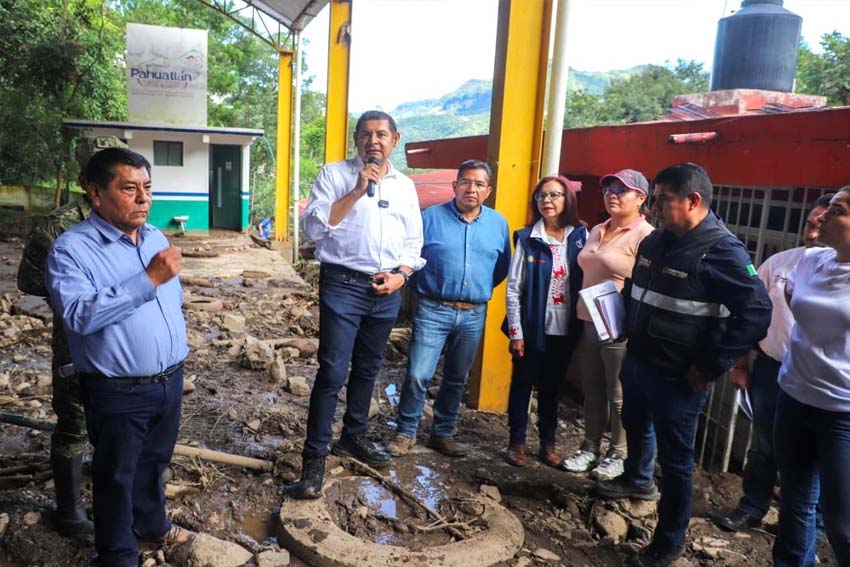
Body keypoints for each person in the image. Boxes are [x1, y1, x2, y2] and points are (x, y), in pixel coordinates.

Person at [595, 163, 771, 567]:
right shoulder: (656, 241)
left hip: (678, 375)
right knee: (635, 423)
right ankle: (637, 479)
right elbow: (638, 290)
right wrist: (619, 316)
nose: (654, 208)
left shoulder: (722, 251)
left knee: (676, 461)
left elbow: (756, 312)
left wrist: (712, 364)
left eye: (662, 200)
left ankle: (668, 542)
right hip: (639, 359)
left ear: (693, 201)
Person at [45, 148, 192, 567]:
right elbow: (79, 314)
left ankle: (152, 524)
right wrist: (149, 278)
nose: (143, 198)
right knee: (115, 477)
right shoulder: (71, 250)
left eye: (147, 188)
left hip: (169, 380)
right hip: (118, 389)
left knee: (154, 464)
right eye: (129, 189)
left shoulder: (155, 238)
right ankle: (117, 555)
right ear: (96, 193)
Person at [289, 110, 424, 499]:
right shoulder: (334, 175)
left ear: (395, 139)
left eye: (381, 134)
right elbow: (314, 228)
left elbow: (413, 242)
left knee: (368, 368)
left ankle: (353, 436)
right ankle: (313, 460)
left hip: (387, 287)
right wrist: (357, 189)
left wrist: (402, 275)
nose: (373, 141)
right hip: (342, 284)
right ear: (356, 140)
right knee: (332, 371)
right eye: (365, 134)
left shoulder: (405, 187)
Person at [16, 135, 127, 536]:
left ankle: (119, 485)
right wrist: (75, 292)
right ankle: (70, 509)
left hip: (125, 337)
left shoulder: (129, 214)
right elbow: (28, 279)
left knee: (122, 413)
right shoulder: (58, 225)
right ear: (86, 180)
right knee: (74, 419)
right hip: (77, 338)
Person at [714, 194, 832, 533]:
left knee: (817, 454)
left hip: (823, 382)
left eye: (822, 226)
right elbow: (748, 315)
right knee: (765, 444)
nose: (812, 233)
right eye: (809, 224)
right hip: (771, 370)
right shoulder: (779, 264)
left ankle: (811, 524)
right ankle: (753, 506)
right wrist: (739, 365)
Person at [387, 160, 510, 458]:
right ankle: (405, 432)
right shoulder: (430, 218)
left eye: (479, 184)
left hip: (474, 313)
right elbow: (411, 257)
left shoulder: (498, 224)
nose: (471, 189)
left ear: (488, 191)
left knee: (456, 378)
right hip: (433, 308)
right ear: (454, 186)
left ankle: (442, 433)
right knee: (418, 373)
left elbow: (501, 267)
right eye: (465, 182)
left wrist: (473, 291)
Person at [772, 187, 850, 567]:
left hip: (842, 413)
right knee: (795, 501)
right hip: (794, 397)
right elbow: (793, 300)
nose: (823, 217)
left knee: (843, 523)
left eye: (838, 210)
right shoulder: (811, 260)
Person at [561, 169, 654, 481]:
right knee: (592, 389)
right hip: (589, 319)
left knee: (618, 393)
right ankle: (590, 447)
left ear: (640, 198)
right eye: (608, 189)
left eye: (621, 190)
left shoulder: (645, 236)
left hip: (618, 326)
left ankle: (619, 452)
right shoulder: (598, 229)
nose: (612, 195)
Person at [503, 176, 587, 467]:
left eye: (554, 195)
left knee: (552, 388)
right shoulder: (528, 238)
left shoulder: (581, 237)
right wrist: (516, 332)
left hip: (565, 330)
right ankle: (516, 443)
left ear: (567, 200)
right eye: (541, 196)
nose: (547, 201)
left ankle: (548, 445)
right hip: (531, 328)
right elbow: (514, 288)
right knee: (522, 384)